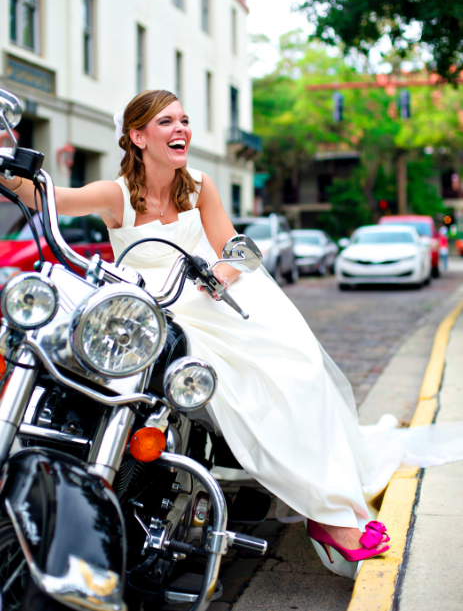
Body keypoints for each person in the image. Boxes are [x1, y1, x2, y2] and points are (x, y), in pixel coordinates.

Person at [5, 89, 459, 579]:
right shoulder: (115, 194)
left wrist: (224, 270)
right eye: (166, 122)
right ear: (137, 137)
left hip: (209, 300)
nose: (180, 129)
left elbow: (238, 248)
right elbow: (49, 198)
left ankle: (325, 508)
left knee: (299, 370)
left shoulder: (199, 185)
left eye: (184, 120)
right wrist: (7, 166)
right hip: (153, 314)